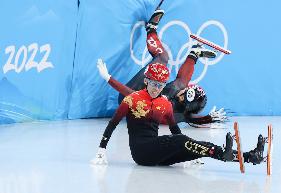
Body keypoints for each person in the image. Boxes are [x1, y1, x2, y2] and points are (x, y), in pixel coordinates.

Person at [91, 63, 265, 166]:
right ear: (146, 81)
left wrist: (191, 150)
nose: (156, 88)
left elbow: (175, 130)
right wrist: (101, 149)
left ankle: (250, 157)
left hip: (157, 153)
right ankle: (231, 154)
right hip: (141, 153)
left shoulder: (164, 103)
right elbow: (112, 124)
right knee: (183, 142)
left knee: (197, 147)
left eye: (160, 85)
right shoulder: (132, 99)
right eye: (153, 84)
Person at [97, 9, 227, 128]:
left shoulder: (162, 107)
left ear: (183, 100)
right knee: (179, 84)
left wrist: (109, 78)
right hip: (151, 94)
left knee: (162, 59)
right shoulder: (185, 111)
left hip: (130, 97)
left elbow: (132, 95)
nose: (186, 88)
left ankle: (151, 29)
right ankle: (194, 54)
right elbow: (193, 118)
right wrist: (209, 118)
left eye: (186, 91)